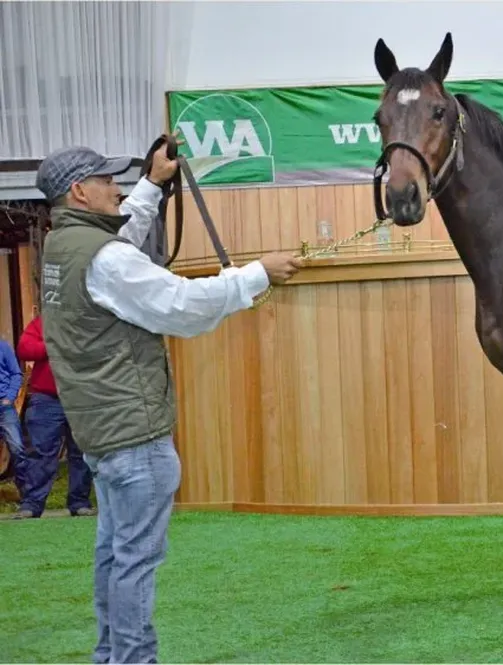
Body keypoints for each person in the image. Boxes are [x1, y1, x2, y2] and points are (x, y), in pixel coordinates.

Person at [34, 141, 303, 664]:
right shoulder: (104, 258)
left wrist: (153, 185)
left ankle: (111, 657)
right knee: (134, 561)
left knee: (114, 555)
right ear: (80, 191)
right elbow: (180, 306)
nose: (116, 187)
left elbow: (122, 240)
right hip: (135, 437)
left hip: (102, 433)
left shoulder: (64, 246)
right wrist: (256, 274)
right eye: (106, 180)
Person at [14, 313, 96, 519]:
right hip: (47, 398)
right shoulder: (44, 322)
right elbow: (24, 349)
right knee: (41, 453)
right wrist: (55, 344)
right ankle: (32, 504)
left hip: (82, 396)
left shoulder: (89, 321)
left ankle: (79, 502)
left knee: (82, 453)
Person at [0, 336, 25, 496]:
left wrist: (9, 397)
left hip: (3, 405)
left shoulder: (3, 346)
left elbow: (16, 373)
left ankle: (27, 496)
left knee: (17, 448)